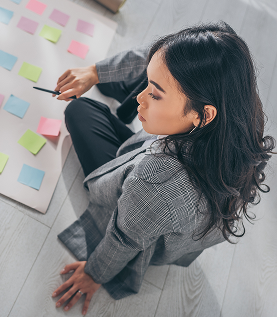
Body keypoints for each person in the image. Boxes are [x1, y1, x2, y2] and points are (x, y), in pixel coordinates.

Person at [50, 21, 275, 315]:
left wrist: (94, 274)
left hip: (151, 214)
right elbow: (155, 57)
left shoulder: (157, 182)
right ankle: (139, 87)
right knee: (139, 77)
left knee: (80, 110)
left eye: (153, 95)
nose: (141, 97)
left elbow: (123, 239)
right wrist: (94, 72)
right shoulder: (237, 106)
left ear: (202, 115)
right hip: (173, 192)